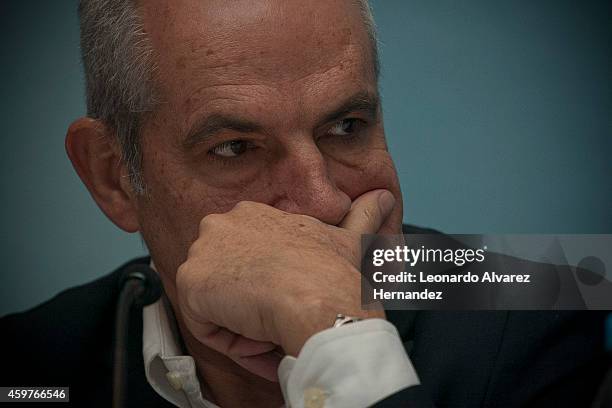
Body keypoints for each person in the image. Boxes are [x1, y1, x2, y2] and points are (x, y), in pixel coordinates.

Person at [1, 0, 608, 407]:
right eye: (235, 148)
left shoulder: (544, 297)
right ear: (114, 177)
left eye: (346, 125)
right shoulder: (27, 367)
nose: (320, 202)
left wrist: (336, 334)